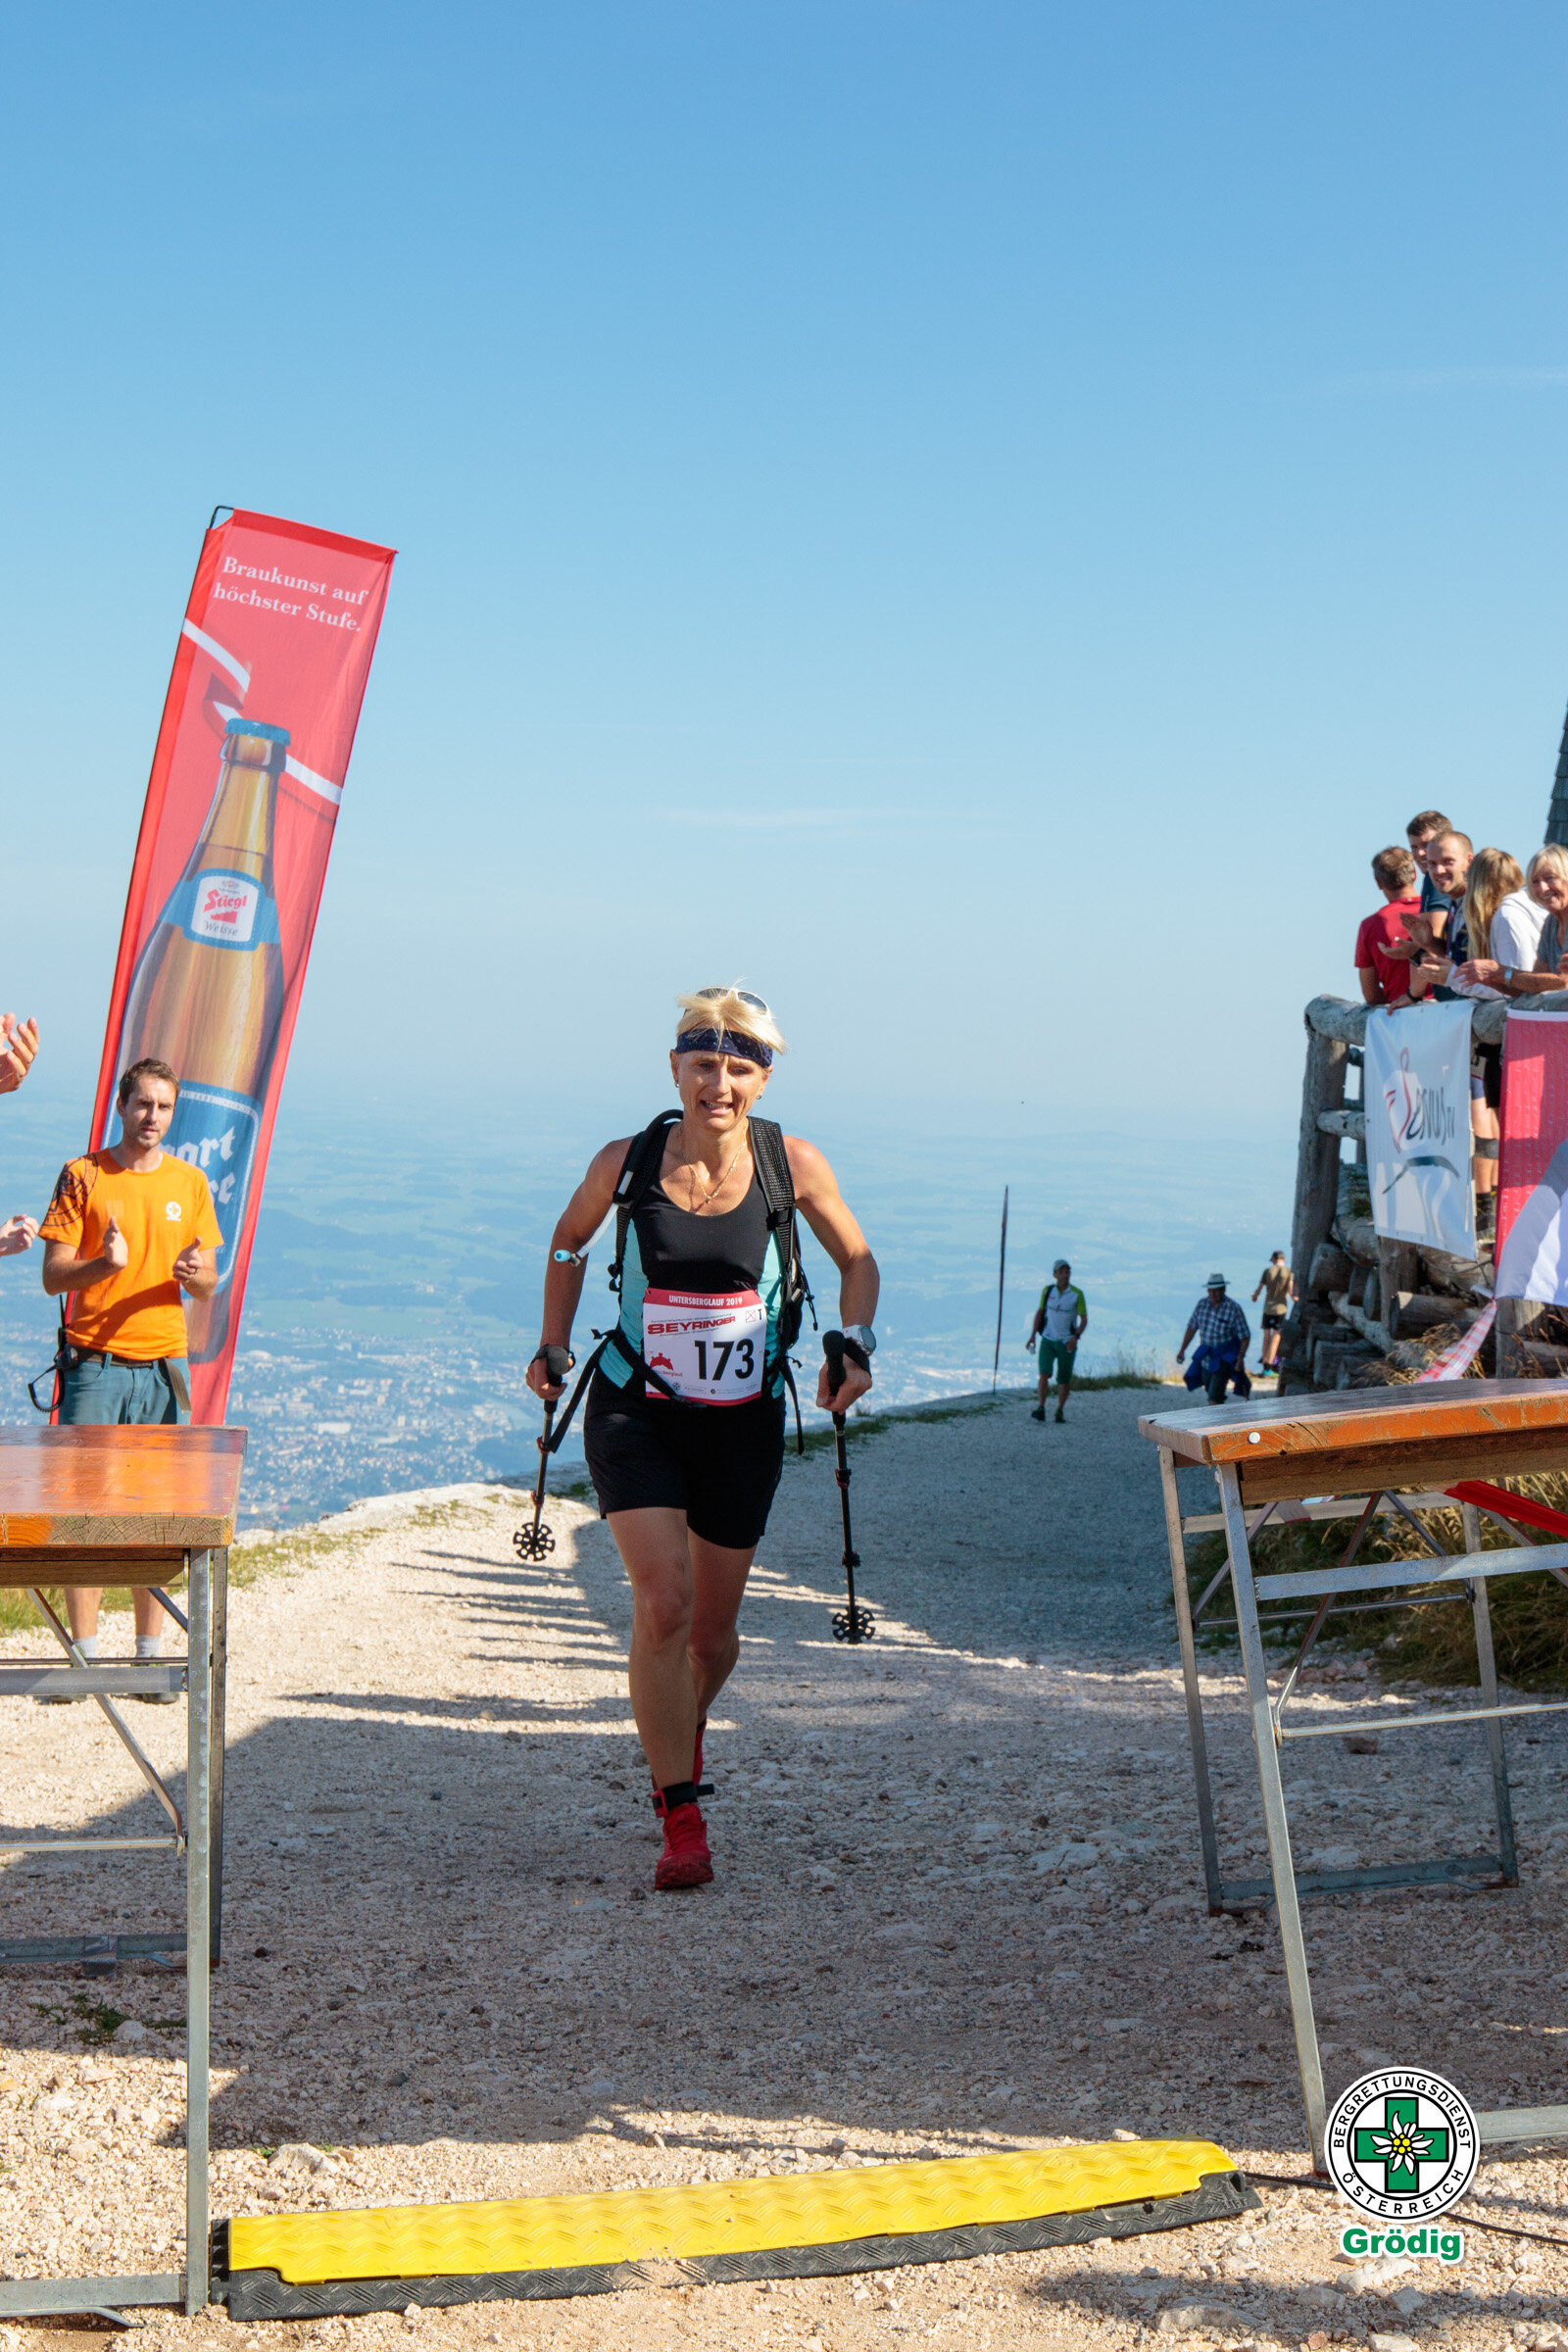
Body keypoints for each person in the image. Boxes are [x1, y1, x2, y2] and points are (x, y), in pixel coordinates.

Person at [526, 988, 878, 1894]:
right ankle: (680, 1813)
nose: (718, 1082)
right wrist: (554, 1339)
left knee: (714, 1638)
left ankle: (675, 1723)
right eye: (703, 1062)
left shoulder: (788, 1165)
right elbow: (569, 1241)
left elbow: (859, 1262)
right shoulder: (628, 1160)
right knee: (665, 1605)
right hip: (633, 1406)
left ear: (763, 1077)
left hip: (744, 1417)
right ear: (676, 1066)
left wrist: (855, 1342)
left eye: (739, 1066)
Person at [36, 1058, 222, 1697]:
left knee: (157, 1518)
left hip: (164, 1368)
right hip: (95, 1366)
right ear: (121, 1105)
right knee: (81, 1516)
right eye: (143, 1105)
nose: (153, 1119)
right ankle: (83, 1662)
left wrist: (193, 1273)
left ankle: (150, 1661)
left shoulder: (190, 1182)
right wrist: (103, 1266)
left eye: (164, 1108)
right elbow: (54, 1276)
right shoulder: (82, 1175)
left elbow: (207, 1284)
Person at [1456, 844, 1568, 998]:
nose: (1542, 888)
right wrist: (1488, 978)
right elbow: (1532, 986)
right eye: (1535, 881)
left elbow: (1563, 983)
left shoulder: (1508, 915)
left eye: (1550, 878)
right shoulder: (1551, 924)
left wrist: (1501, 972)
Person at [1354, 848, 1422, 1009]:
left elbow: (1370, 993)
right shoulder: (1437, 912)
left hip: (1400, 1013)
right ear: (1414, 874)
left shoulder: (1370, 925)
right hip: (1448, 1008)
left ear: (1378, 882)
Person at [1026, 1260, 1087, 1422]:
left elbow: (1084, 1319)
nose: (1065, 1275)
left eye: (1067, 1272)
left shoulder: (1077, 1294)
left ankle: (1059, 1410)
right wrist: (1033, 1335)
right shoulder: (1047, 1291)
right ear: (1055, 1274)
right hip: (1047, 1339)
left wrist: (1076, 1337)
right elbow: (1040, 1312)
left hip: (1067, 1342)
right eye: (1062, 1272)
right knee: (1044, 1374)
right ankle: (1041, 1407)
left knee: (1063, 1379)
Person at [1177, 1275, 1251, 1405]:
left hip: (1224, 1358)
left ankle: (1214, 1422)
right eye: (1210, 1290)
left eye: (1216, 1290)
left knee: (1214, 1396)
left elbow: (1245, 1336)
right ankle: (1221, 1416)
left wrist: (1240, 1358)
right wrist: (1182, 1350)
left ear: (1223, 1290)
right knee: (1211, 1390)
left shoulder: (1233, 1308)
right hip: (1206, 1358)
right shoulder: (1202, 1305)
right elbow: (1191, 1328)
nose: (1213, 1293)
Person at [1251, 1251, 1295, 1372]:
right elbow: (1291, 1291)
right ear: (1283, 1259)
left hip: (1267, 1307)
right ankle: (1270, 1365)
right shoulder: (1288, 1272)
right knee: (1276, 1336)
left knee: (1266, 1336)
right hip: (1281, 1308)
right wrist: (1296, 1299)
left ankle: (1265, 1364)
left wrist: (1255, 1297)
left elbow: (1259, 1289)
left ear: (1274, 1259)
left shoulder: (1267, 1271)